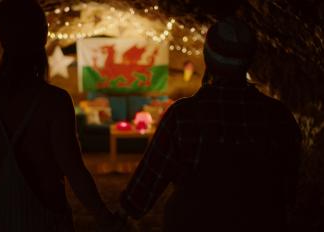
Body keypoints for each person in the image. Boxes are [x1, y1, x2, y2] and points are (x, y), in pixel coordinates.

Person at [119, 17, 301, 232]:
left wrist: (119, 215)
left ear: (207, 59)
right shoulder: (278, 116)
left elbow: (141, 192)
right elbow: (289, 189)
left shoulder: (182, 116)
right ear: (251, 61)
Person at [0, 0, 122, 231]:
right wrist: (103, 216)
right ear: (43, 39)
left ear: (2, 39)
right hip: (47, 215)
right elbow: (73, 169)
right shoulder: (54, 101)